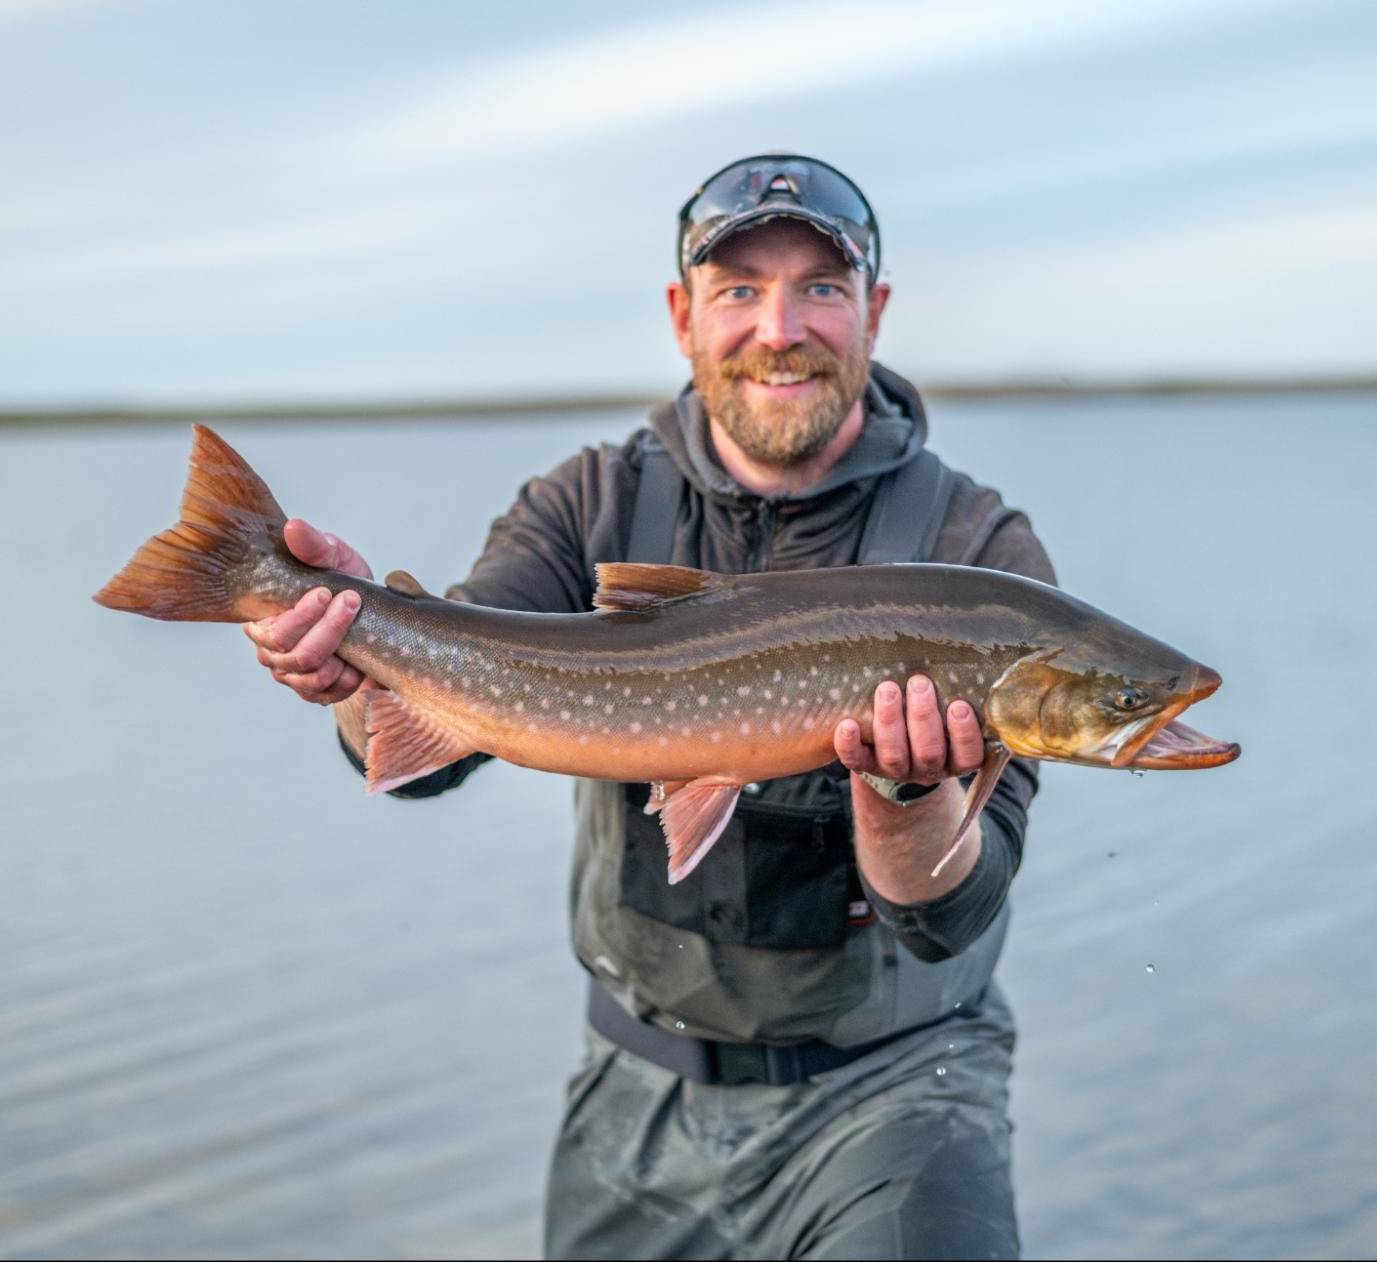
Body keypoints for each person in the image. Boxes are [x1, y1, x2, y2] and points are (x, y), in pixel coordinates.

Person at [243, 155, 1055, 1260]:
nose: (780, 327)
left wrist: (911, 792)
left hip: (901, 1088)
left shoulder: (978, 557)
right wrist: (354, 661)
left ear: (874, 312)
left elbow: (955, 914)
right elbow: (430, 754)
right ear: (683, 316)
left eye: (821, 286)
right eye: (737, 290)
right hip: (636, 1086)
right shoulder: (588, 502)